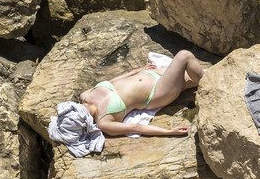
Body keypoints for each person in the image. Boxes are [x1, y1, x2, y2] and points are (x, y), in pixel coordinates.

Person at [46, 51, 207, 157]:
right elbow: (137, 128)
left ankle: (212, 82)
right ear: (83, 122)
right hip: (158, 92)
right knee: (184, 57)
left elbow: (112, 81)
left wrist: (138, 70)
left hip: (152, 74)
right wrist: (169, 132)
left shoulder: (84, 95)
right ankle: (212, 87)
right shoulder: (104, 122)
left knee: (205, 73)